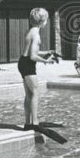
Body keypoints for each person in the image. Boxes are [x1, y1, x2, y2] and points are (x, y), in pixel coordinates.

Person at [19, 8, 54, 139]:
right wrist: (45, 61)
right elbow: (33, 56)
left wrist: (45, 52)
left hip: (22, 62)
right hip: (28, 64)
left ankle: (27, 122)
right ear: (42, 21)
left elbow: (29, 52)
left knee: (28, 94)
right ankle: (34, 123)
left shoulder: (31, 32)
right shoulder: (37, 35)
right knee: (35, 92)